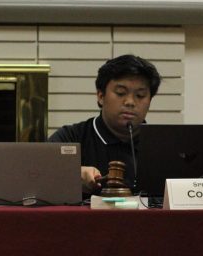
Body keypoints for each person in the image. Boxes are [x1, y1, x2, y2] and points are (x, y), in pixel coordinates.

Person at [48, 54, 161, 195]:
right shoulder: (71, 137)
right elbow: (35, 173)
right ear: (101, 96)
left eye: (140, 95)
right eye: (121, 93)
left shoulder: (162, 145)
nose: (130, 102)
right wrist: (70, 175)